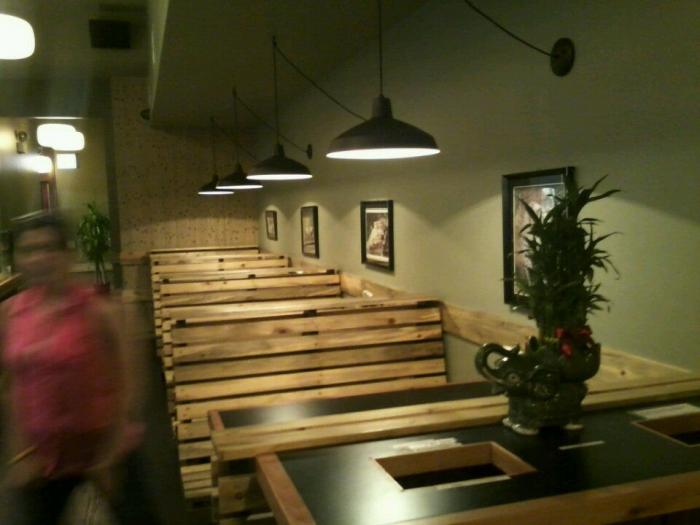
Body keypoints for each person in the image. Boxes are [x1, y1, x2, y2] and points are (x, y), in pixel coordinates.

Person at [0, 213, 153, 524]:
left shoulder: (101, 309)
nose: (39, 258)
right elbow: (13, 385)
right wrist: (19, 454)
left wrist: (111, 455)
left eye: (48, 248)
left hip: (106, 451)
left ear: (67, 254)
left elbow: (132, 383)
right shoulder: (9, 313)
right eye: (28, 250)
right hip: (43, 458)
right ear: (17, 258)